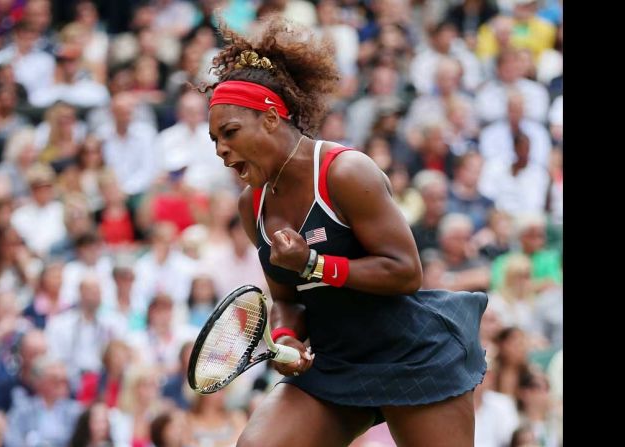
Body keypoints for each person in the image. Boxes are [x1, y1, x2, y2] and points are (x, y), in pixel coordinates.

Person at [203, 17, 487, 446]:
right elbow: (286, 300)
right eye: (214, 141)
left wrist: (314, 264)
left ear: (270, 118)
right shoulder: (252, 205)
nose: (222, 150)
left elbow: (406, 272)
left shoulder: (346, 172)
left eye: (229, 133)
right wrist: (285, 337)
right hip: (335, 362)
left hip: (410, 355)